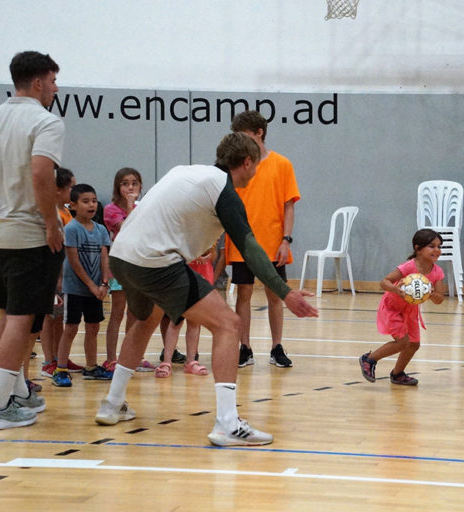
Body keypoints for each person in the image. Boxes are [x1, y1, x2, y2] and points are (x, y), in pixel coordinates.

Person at [94, 132, 318, 447]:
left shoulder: (187, 172)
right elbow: (250, 249)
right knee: (229, 324)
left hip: (122, 257)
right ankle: (227, 424)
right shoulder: (224, 190)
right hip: (155, 262)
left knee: (146, 320)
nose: (257, 170)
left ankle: (112, 403)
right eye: (257, 165)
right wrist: (286, 292)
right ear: (247, 162)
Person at [0, 51, 65, 429]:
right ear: (38, 82)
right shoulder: (45, 121)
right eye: (53, 81)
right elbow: (41, 173)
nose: (56, 88)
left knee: (9, 314)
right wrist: (52, 224)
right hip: (27, 236)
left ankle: (17, 390)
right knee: (23, 319)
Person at [225, 111, 300, 368]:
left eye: (245, 135)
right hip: (241, 241)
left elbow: (289, 205)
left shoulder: (282, 164)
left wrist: (286, 240)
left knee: (275, 295)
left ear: (260, 133)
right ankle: (244, 347)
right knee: (243, 294)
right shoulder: (237, 166)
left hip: (272, 242)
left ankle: (276, 347)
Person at [359, 229, 446, 386]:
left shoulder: (437, 272)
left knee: (414, 344)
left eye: (439, 247)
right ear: (418, 248)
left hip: (410, 310)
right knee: (403, 342)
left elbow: (440, 299)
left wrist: (431, 293)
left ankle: (397, 374)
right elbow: (384, 282)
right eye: (432, 246)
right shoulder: (408, 267)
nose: (437, 250)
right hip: (392, 307)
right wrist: (395, 289)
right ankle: (369, 359)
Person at [53, 184, 112, 387]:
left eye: (94, 201)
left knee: (93, 327)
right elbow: (74, 261)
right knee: (70, 328)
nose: (91, 205)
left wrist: (104, 283)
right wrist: (91, 286)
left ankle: (91, 367)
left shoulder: (101, 229)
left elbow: (104, 257)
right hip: (75, 289)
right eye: (85, 201)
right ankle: (60, 369)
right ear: (73, 206)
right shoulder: (71, 229)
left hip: (96, 289)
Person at [103, 168, 156, 372]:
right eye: (125, 183)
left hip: (139, 265)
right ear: (118, 187)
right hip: (120, 265)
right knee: (117, 312)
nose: (130, 187)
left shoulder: (144, 208)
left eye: (134, 183)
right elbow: (129, 228)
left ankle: (132, 357)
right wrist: (129, 205)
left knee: (135, 314)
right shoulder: (111, 210)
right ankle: (111, 358)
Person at [39, 167, 76, 379]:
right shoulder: (53, 215)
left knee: (59, 318)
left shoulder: (66, 211)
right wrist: (56, 278)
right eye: (71, 187)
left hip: (64, 272)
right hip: (53, 273)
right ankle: (48, 360)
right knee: (48, 316)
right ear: (58, 190)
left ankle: (60, 356)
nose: (74, 191)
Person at [158, 246, 216, 378]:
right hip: (183, 277)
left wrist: (209, 252)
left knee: (194, 322)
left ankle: (191, 361)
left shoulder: (208, 236)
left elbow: (213, 255)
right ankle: (167, 362)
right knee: (175, 321)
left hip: (202, 276)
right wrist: (194, 255)